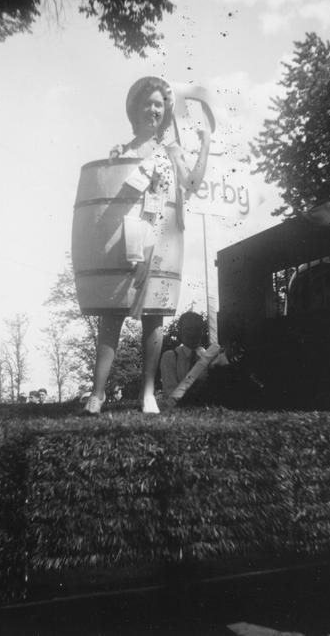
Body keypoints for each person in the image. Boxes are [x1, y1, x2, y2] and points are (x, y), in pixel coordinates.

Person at [83, 76, 211, 415]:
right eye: (148, 103)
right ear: (135, 108)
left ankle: (149, 393)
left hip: (158, 239)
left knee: (153, 318)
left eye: (159, 104)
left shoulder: (170, 151)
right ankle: (97, 394)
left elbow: (193, 184)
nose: (153, 109)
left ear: (165, 110)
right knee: (110, 317)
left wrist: (206, 145)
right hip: (121, 238)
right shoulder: (120, 152)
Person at [160, 311, 229, 404]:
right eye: (187, 329)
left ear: (203, 331)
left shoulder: (210, 356)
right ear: (180, 331)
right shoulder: (170, 357)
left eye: (197, 329)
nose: (192, 333)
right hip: (178, 406)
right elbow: (170, 391)